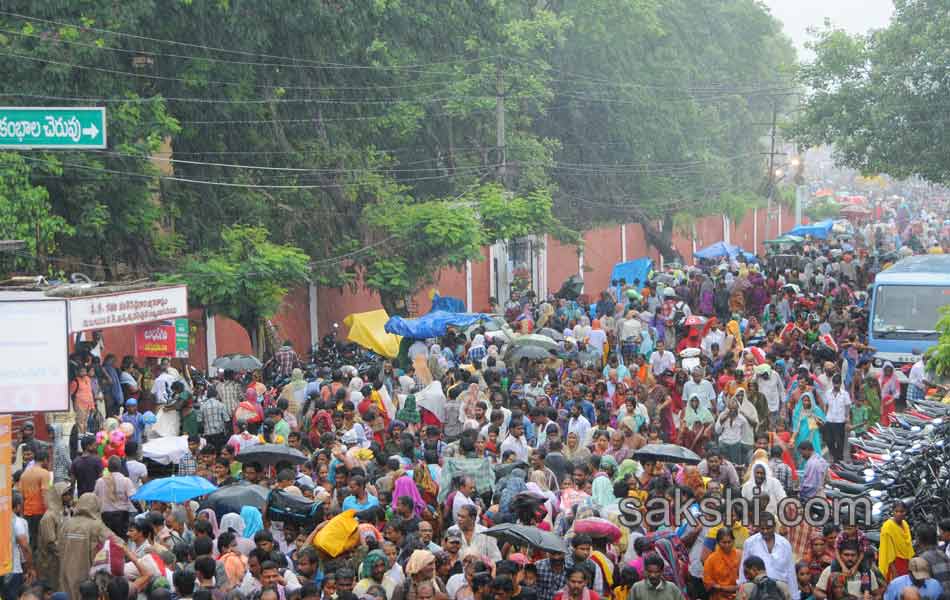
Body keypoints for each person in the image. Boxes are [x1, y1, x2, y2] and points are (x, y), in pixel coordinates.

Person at [59, 493, 116, 600]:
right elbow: (115, 542)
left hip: (66, 571)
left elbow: (59, 547)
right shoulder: (96, 525)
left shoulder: (67, 523)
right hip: (86, 572)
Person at [739, 513, 798, 600]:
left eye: (768, 528)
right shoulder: (750, 543)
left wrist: (794, 596)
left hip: (780, 590)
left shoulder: (784, 544)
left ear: (774, 527)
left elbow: (790, 571)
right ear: (758, 527)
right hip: (757, 591)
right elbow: (743, 569)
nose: (765, 531)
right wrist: (742, 590)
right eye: (762, 528)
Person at [880, 501, 915, 583]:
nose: (899, 514)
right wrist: (894, 571)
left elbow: (908, 546)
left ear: (906, 512)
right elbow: (888, 552)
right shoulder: (887, 527)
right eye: (896, 511)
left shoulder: (905, 524)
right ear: (892, 512)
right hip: (895, 564)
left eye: (902, 511)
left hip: (906, 562)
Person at [704, 528, 742, 600]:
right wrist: (724, 588)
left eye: (729, 542)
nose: (727, 545)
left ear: (733, 541)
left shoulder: (739, 555)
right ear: (718, 542)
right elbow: (708, 582)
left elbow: (744, 576)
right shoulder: (711, 559)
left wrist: (738, 588)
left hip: (738, 595)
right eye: (724, 542)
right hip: (719, 596)